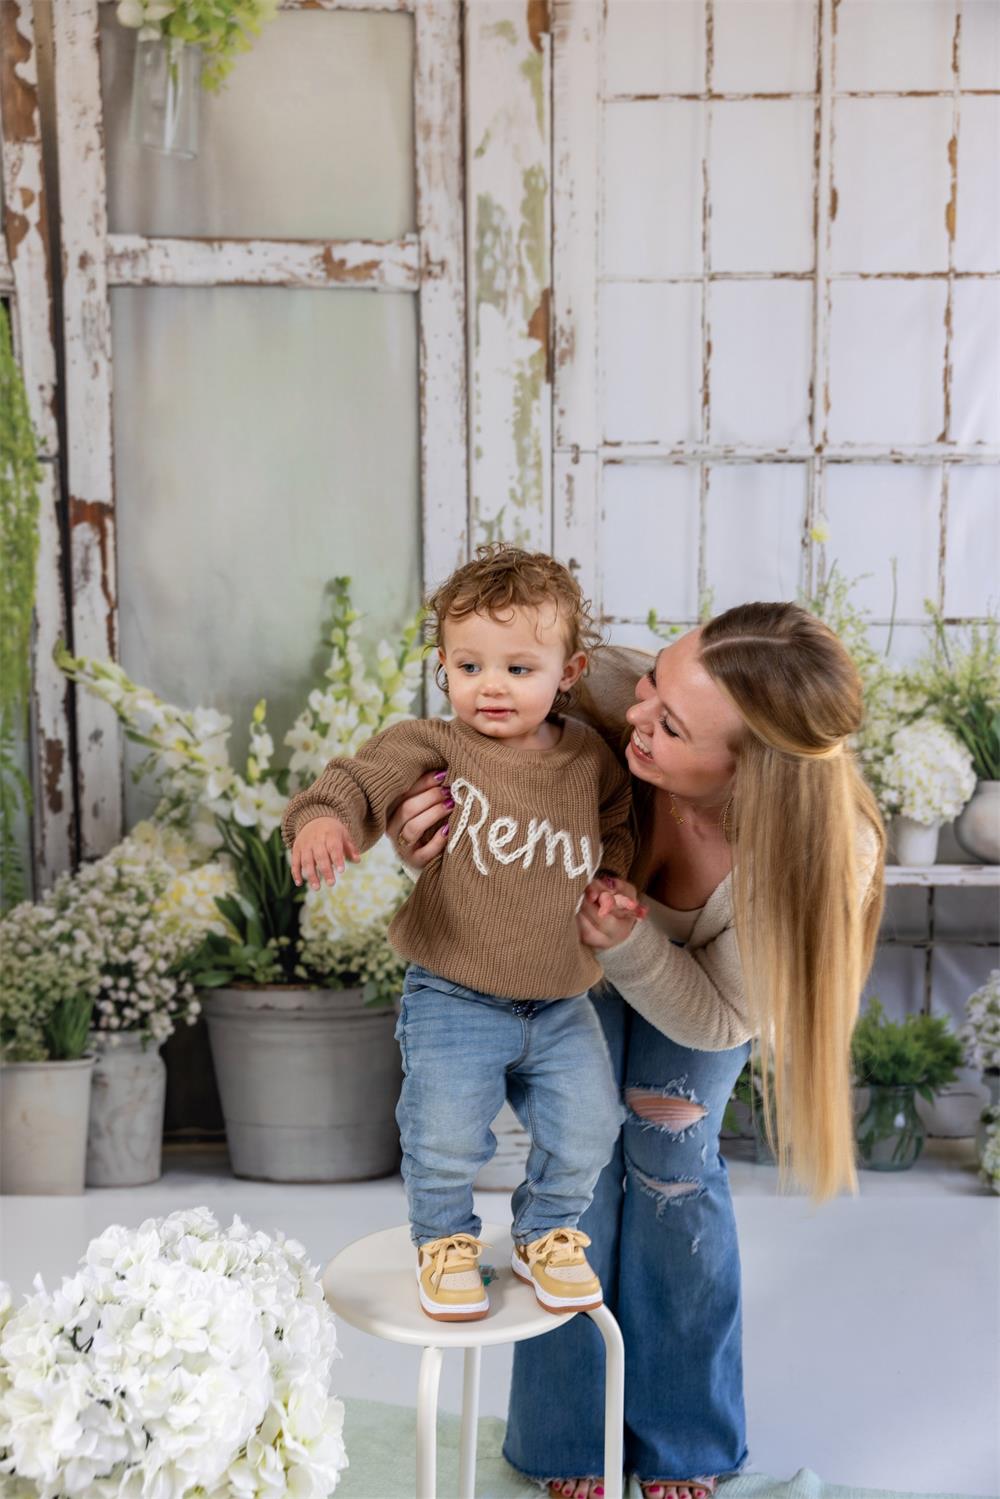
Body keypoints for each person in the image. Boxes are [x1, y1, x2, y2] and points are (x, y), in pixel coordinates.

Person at [385, 601, 885, 1498]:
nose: (636, 722)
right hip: (568, 953)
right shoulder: (603, 692)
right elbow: (458, 762)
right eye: (654, 684)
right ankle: (563, 1433)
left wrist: (626, 939)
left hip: (683, 984)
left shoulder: (815, 855)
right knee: (576, 1161)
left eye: (671, 725)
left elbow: (721, 1014)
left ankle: (684, 1437)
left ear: (751, 773)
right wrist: (418, 832)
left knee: (672, 1163)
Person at [282, 545, 638, 1323]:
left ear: (568, 670)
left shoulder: (590, 758)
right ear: (443, 665)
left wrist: (614, 875)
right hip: (454, 991)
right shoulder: (435, 743)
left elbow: (617, 824)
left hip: (559, 1000)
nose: (493, 687)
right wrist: (321, 819)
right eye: (470, 666)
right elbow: (356, 779)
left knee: (589, 1123)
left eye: (519, 668)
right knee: (442, 1131)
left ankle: (546, 1231)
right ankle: (444, 1240)